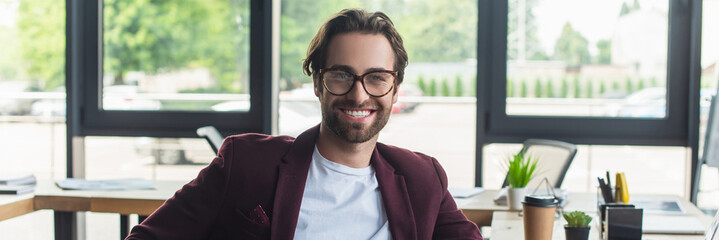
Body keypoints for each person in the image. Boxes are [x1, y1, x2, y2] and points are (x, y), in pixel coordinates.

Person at [127, 9, 482, 240]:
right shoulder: (246, 163)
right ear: (317, 82)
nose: (359, 96)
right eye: (342, 75)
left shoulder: (422, 177)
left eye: (376, 77)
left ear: (395, 88)